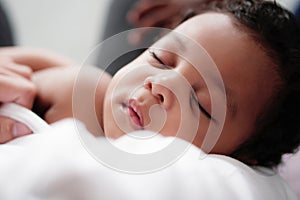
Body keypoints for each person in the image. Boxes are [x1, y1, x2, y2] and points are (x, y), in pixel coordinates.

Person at [1, 0, 300, 171]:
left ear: (242, 157)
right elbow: (29, 64)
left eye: (200, 104)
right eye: (160, 58)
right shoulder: (81, 91)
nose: (160, 84)